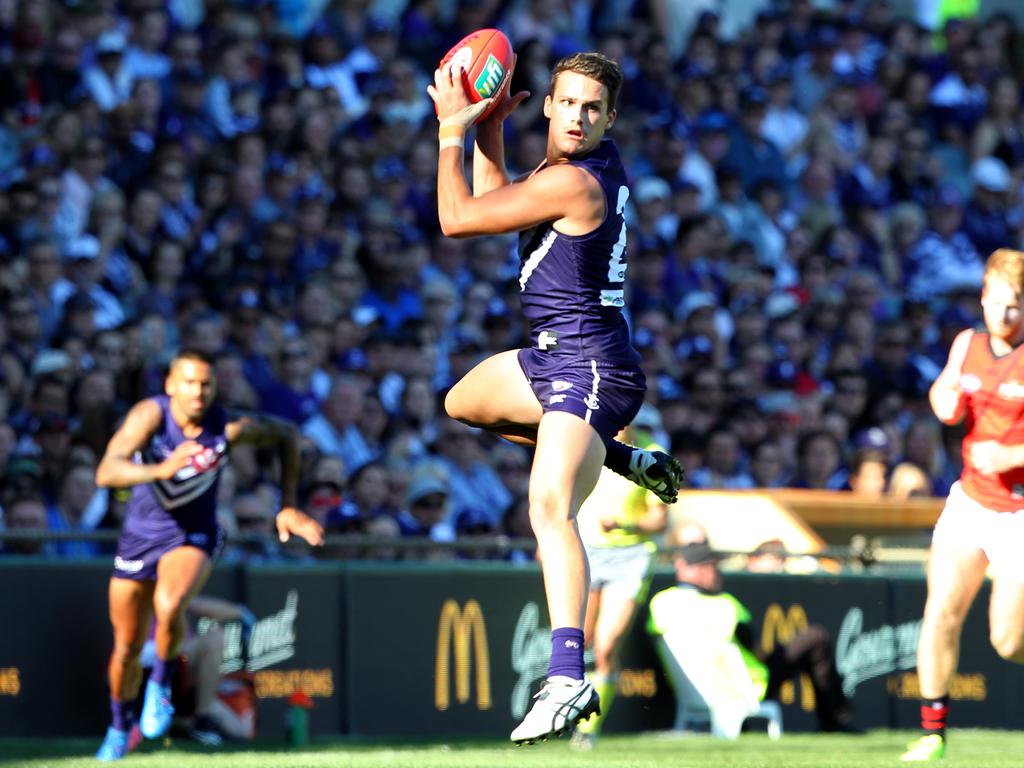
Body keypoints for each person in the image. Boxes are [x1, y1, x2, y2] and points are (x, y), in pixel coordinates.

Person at [428, 51, 684, 744]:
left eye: (591, 108)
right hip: (555, 357)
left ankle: (566, 678)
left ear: (609, 118)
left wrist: (453, 128)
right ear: (548, 104)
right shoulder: (567, 172)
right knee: (463, 403)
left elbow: (456, 218)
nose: (576, 116)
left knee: (549, 506)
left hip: (589, 363)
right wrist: (488, 132)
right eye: (567, 102)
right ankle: (622, 462)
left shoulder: (574, 182)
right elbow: (500, 209)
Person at [93, 349, 323, 761]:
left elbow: (287, 434)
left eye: (206, 384)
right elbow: (107, 471)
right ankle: (117, 724)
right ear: (170, 386)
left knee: (170, 602)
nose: (198, 392)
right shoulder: (151, 416)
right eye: (189, 382)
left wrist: (286, 504)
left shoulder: (227, 426)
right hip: (139, 537)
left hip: (194, 533)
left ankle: (161, 684)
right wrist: (157, 471)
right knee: (126, 648)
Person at [901, 248, 1024, 762]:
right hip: (971, 501)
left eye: (1016, 304)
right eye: (998, 302)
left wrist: (1013, 453)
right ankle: (933, 733)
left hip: (1018, 512)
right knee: (940, 613)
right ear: (983, 299)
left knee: (1008, 642)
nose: (1005, 313)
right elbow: (945, 392)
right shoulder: (967, 343)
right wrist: (942, 401)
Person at [648, 526, 857, 736]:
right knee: (816, 637)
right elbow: (754, 649)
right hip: (748, 688)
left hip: (693, 693)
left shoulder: (660, 603)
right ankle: (835, 721)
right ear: (701, 570)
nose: (718, 573)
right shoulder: (725, 606)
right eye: (713, 567)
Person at [570, 416, 669, 750]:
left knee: (607, 644)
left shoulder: (653, 454)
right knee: (579, 640)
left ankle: (589, 728)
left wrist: (626, 524)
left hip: (631, 557)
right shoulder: (586, 442)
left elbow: (659, 518)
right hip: (588, 549)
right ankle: (570, 709)